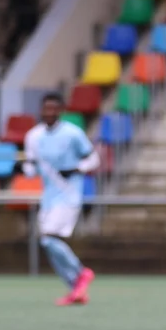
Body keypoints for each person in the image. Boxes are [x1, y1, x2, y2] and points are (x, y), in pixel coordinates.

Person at [23, 93, 99, 306]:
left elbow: (94, 159)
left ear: (61, 110)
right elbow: (31, 167)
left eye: (53, 108)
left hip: (69, 194)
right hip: (48, 196)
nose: (49, 112)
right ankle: (76, 289)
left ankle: (81, 273)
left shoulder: (72, 133)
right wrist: (23, 168)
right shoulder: (33, 136)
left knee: (48, 238)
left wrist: (76, 168)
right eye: (46, 108)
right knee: (47, 243)